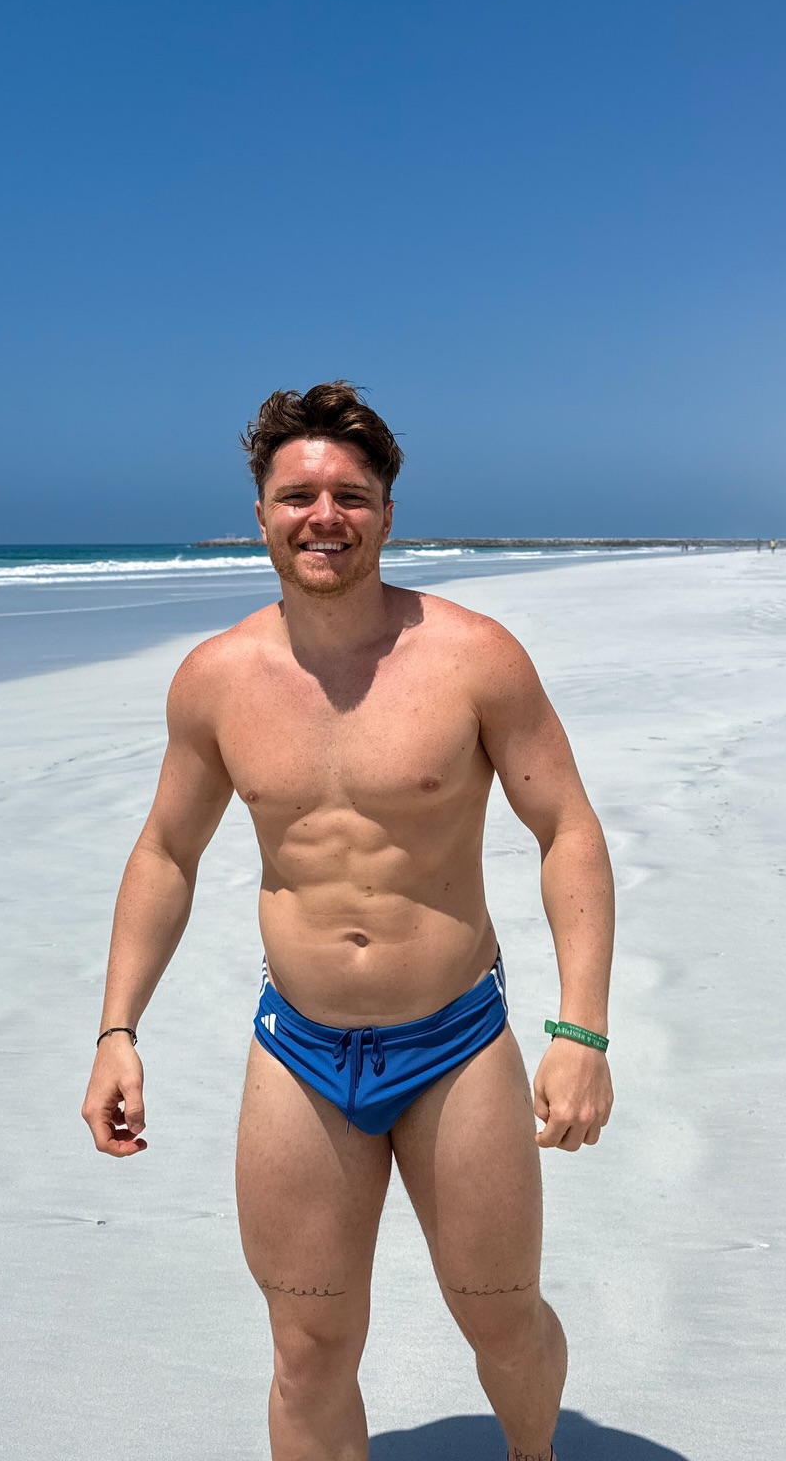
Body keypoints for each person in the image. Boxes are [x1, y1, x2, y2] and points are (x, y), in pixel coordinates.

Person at [82, 382, 616, 1461]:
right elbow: (167, 852)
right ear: (262, 513)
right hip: (299, 1050)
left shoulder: (473, 657)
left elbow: (567, 829)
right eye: (298, 496)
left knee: (503, 1325)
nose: (323, 516)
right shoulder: (216, 679)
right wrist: (116, 1029)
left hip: (455, 1042)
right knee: (306, 1351)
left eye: (350, 497)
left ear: (385, 513)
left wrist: (582, 1031)